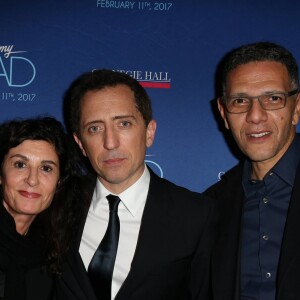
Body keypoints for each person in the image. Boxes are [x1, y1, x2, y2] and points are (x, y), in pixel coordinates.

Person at [57, 69, 216, 300]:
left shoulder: (197, 215)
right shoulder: (57, 203)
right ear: (80, 143)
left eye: (123, 124)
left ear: (149, 132)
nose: (110, 142)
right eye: (95, 128)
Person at [204, 41, 300, 300]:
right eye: (240, 101)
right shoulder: (210, 207)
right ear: (224, 113)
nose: (255, 115)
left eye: (272, 98)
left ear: (296, 107)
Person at [0, 116, 83, 300]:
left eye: (46, 168)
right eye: (20, 165)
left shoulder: (52, 257)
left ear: (59, 182)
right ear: (1, 174)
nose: (32, 179)